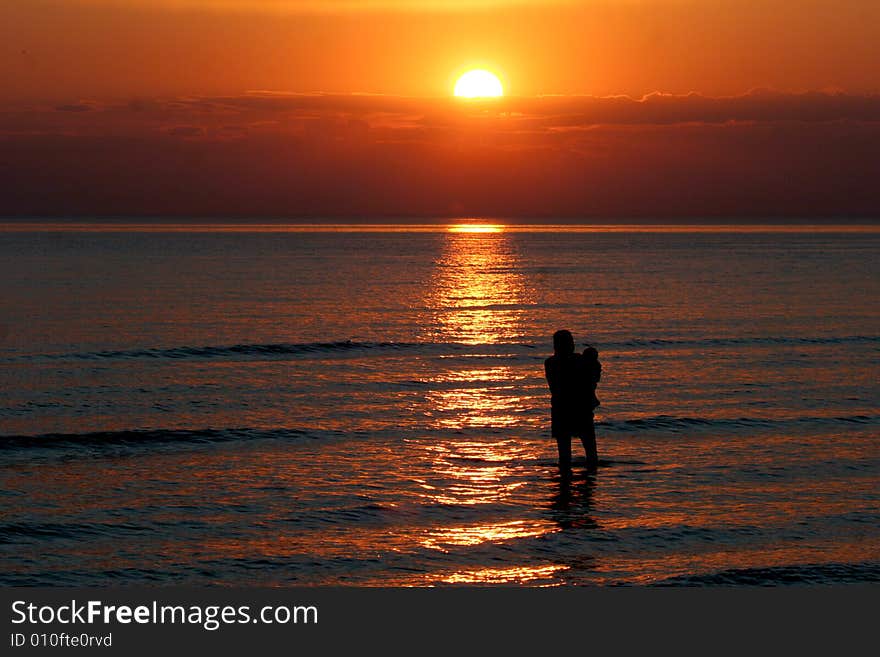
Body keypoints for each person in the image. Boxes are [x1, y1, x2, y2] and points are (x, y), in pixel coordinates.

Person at [544, 330, 599, 474]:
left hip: (563, 410)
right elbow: (593, 377)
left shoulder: (551, 363)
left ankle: (568, 480)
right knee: (590, 452)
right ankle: (588, 479)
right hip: (578, 409)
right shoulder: (577, 361)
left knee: (565, 455)